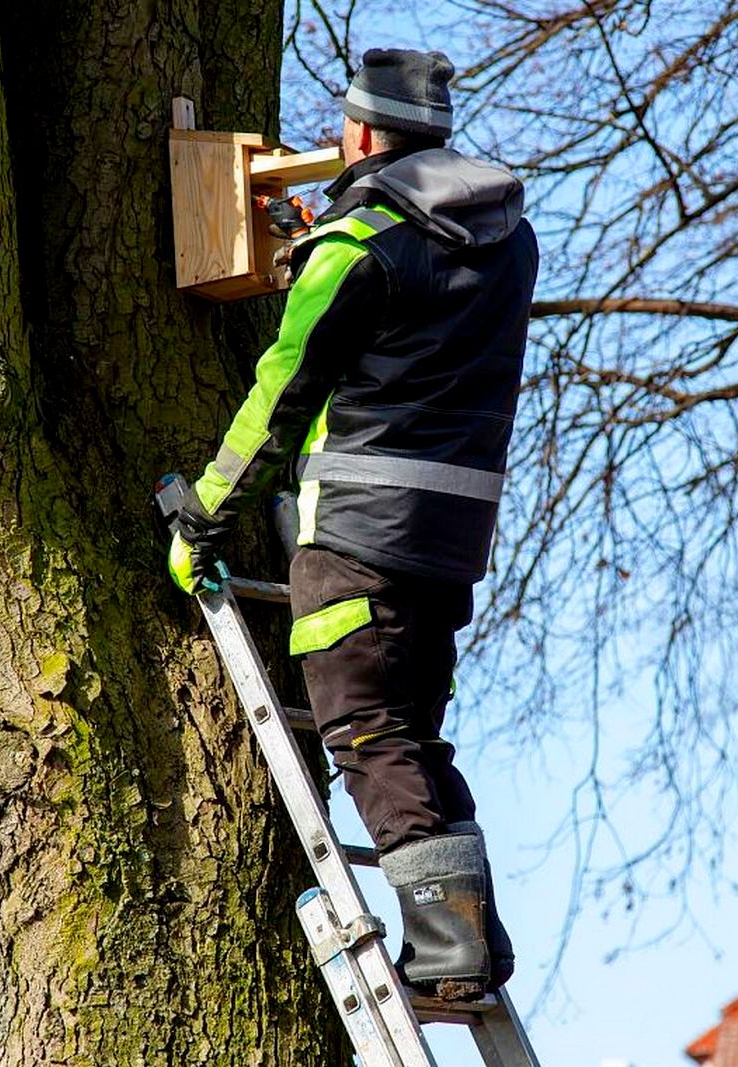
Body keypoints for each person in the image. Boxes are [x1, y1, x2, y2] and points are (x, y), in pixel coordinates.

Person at [167, 47, 539, 1002]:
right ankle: (474, 939)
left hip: (358, 535)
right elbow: (414, 315)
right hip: (450, 541)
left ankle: (450, 953)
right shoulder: (506, 240)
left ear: (363, 132)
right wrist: (318, 247)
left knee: (370, 732)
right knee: (415, 736)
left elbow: (283, 393)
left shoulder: (358, 249)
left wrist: (206, 516)